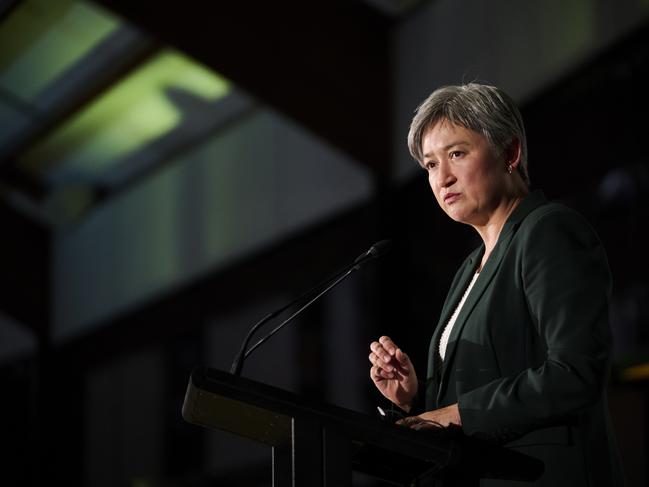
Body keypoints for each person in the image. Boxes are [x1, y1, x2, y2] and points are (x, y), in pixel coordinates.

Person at [368, 83, 624, 486]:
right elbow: (476, 396)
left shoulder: (548, 231)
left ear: (510, 153)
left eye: (457, 153)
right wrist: (415, 401)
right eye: (431, 165)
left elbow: (575, 373)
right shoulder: (470, 267)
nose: (443, 178)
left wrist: (453, 414)